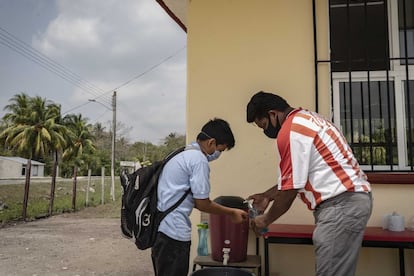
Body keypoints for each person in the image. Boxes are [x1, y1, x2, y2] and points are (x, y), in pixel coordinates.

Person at [246, 91, 372, 276]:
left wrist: (265, 219)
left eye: (263, 125)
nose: (265, 131)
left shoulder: (290, 131)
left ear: (273, 114)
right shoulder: (309, 119)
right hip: (350, 201)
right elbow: (298, 177)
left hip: (340, 205)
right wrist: (267, 196)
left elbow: (290, 190)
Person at [151, 118, 248, 276]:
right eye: (220, 150)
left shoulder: (183, 154)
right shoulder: (198, 160)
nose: (218, 155)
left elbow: (192, 199)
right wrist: (232, 212)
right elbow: (203, 204)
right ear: (211, 142)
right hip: (174, 233)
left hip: (161, 231)